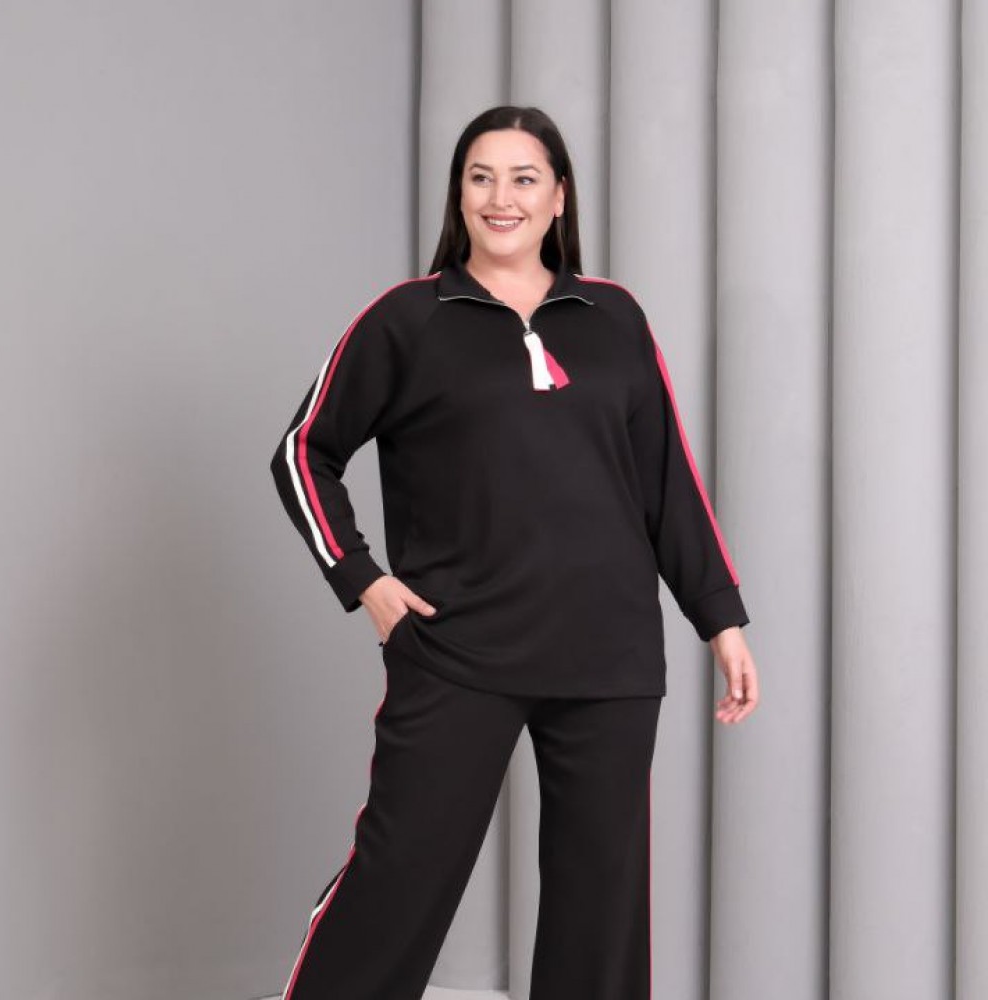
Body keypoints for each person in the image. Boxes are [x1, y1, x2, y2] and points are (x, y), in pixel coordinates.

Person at [269, 104, 759, 1000]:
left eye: (524, 178)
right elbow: (305, 451)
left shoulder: (614, 317)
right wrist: (364, 580)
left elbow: (667, 482)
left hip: (609, 655)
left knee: (600, 915)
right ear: (459, 195)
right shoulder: (408, 320)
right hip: (459, 648)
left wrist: (720, 620)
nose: (502, 197)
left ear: (559, 196)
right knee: (396, 883)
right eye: (481, 177)